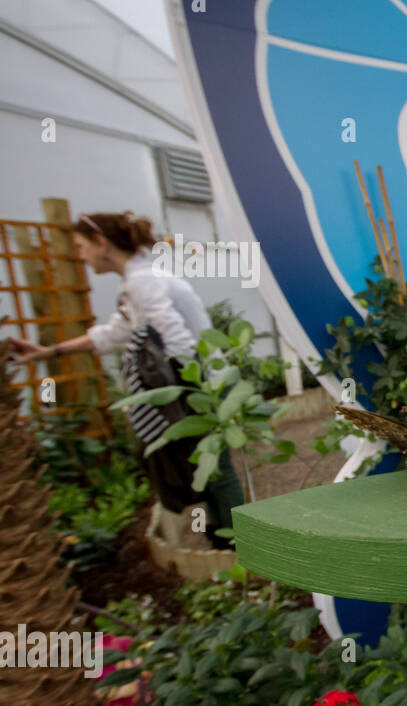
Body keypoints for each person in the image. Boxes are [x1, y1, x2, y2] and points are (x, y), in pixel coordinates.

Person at [8, 211, 243, 547]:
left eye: (81, 246)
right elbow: (114, 333)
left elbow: (178, 341)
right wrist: (50, 351)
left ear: (101, 243)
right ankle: (225, 536)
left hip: (203, 382)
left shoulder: (142, 281)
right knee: (203, 465)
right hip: (198, 380)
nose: (81, 255)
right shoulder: (138, 281)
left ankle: (237, 543)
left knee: (215, 468)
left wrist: (192, 394)